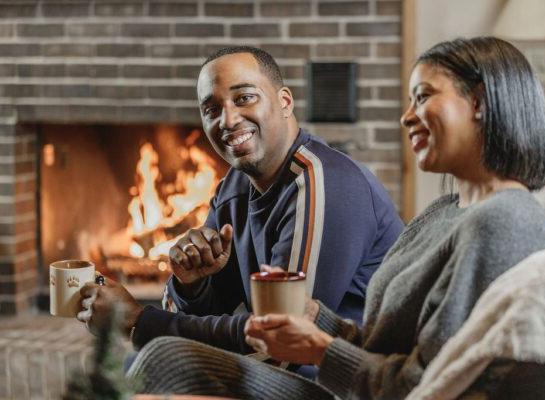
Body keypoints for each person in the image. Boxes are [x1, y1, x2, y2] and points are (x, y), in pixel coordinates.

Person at [126, 37, 545, 399]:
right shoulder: (445, 212)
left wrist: (320, 348)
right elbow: (381, 340)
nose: (406, 116)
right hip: (351, 378)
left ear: (479, 103)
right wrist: (315, 321)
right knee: (151, 356)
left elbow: (433, 384)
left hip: (349, 390)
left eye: (423, 97)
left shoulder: (505, 221)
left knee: (165, 358)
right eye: (409, 101)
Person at [77, 46, 403, 373]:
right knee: (144, 363)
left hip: (338, 380)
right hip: (281, 368)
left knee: (152, 365)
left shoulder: (323, 182)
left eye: (244, 98)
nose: (228, 120)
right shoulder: (236, 185)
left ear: (285, 102)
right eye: (211, 109)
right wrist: (192, 284)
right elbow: (186, 314)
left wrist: (139, 320)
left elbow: (281, 344)